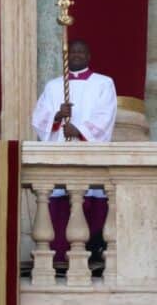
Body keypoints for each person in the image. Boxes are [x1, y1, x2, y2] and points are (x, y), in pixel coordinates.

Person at [31, 39, 116, 264]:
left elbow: (106, 116)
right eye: (73, 52)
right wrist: (58, 118)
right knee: (60, 202)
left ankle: (92, 256)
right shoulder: (53, 86)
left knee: (90, 200)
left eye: (81, 52)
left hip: (90, 153)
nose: (76, 55)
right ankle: (59, 256)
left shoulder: (104, 84)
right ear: (66, 58)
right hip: (60, 153)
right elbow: (39, 118)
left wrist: (79, 129)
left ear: (88, 56)